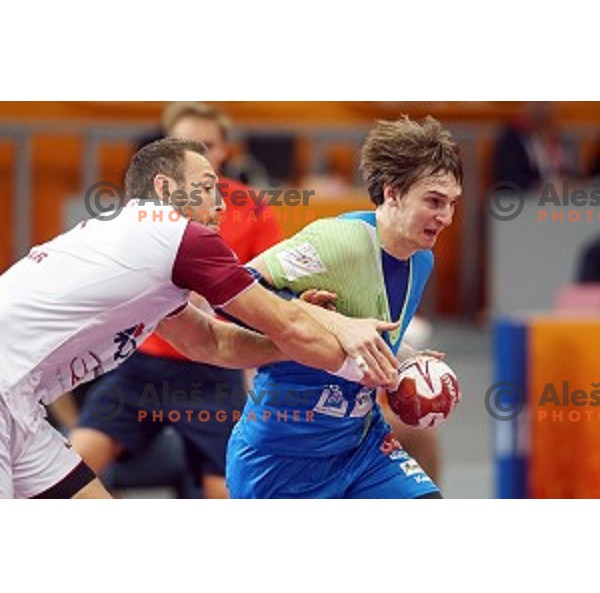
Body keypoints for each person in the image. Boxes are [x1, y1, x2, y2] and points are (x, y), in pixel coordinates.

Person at [0, 137, 402, 499]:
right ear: (164, 188)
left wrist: (291, 339)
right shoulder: (177, 236)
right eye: (208, 187)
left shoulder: (137, 244)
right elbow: (286, 323)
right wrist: (363, 349)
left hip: (21, 406)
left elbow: (211, 342)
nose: (222, 202)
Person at [226, 115, 463, 499]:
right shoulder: (338, 240)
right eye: (434, 202)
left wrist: (407, 359)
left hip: (361, 446)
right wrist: (313, 315)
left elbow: (364, 329)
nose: (447, 217)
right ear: (392, 193)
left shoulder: (422, 258)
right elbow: (233, 291)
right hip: (281, 454)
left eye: (452, 203)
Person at [70, 102, 284, 499]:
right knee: (73, 465)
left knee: (229, 491)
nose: (199, 152)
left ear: (224, 150)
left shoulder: (251, 207)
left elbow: (272, 289)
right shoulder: (141, 215)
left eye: (207, 144)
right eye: (185, 143)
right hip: (143, 365)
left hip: (213, 372)